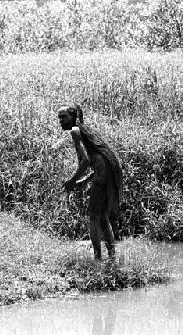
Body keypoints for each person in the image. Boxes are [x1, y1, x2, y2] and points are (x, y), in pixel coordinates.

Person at [58, 104, 123, 260]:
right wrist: (85, 179)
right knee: (103, 216)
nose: (60, 121)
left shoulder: (75, 131)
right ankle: (112, 257)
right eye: (59, 118)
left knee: (93, 215)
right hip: (111, 172)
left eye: (63, 117)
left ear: (73, 117)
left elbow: (86, 161)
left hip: (103, 173)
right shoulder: (87, 130)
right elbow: (99, 159)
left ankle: (97, 257)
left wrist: (72, 181)